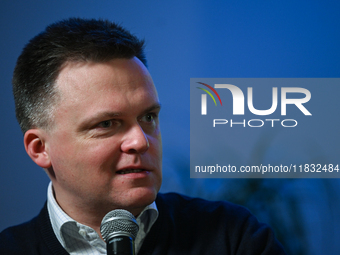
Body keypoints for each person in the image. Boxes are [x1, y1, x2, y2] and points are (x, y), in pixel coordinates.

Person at [0, 18, 286, 254]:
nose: (140, 140)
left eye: (148, 117)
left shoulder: (233, 237)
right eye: (107, 123)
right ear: (40, 148)